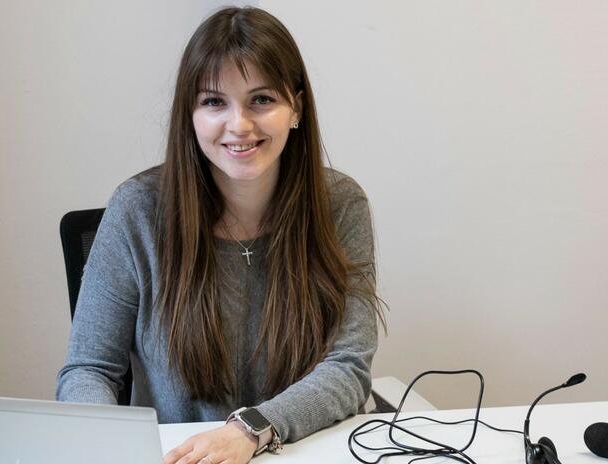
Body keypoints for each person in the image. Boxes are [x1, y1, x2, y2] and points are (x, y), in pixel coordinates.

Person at [56, 6, 383, 464]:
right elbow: (89, 369)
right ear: (189, 114)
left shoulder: (340, 205)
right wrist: (110, 447)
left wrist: (249, 431)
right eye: (214, 102)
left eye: (262, 100)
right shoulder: (137, 210)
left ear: (297, 109)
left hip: (303, 450)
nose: (239, 125)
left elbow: (348, 368)